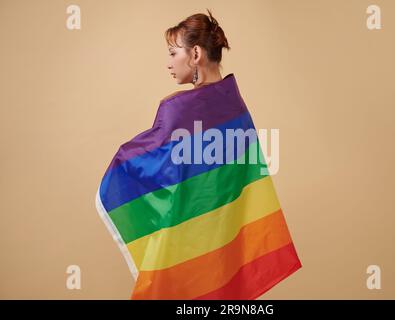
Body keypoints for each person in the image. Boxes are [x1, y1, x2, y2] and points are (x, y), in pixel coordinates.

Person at [95, 9, 302, 300]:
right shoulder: (236, 105)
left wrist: (122, 159)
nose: (168, 63)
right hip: (226, 248)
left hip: (190, 249)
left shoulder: (178, 110)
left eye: (172, 53)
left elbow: (153, 168)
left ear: (194, 54)